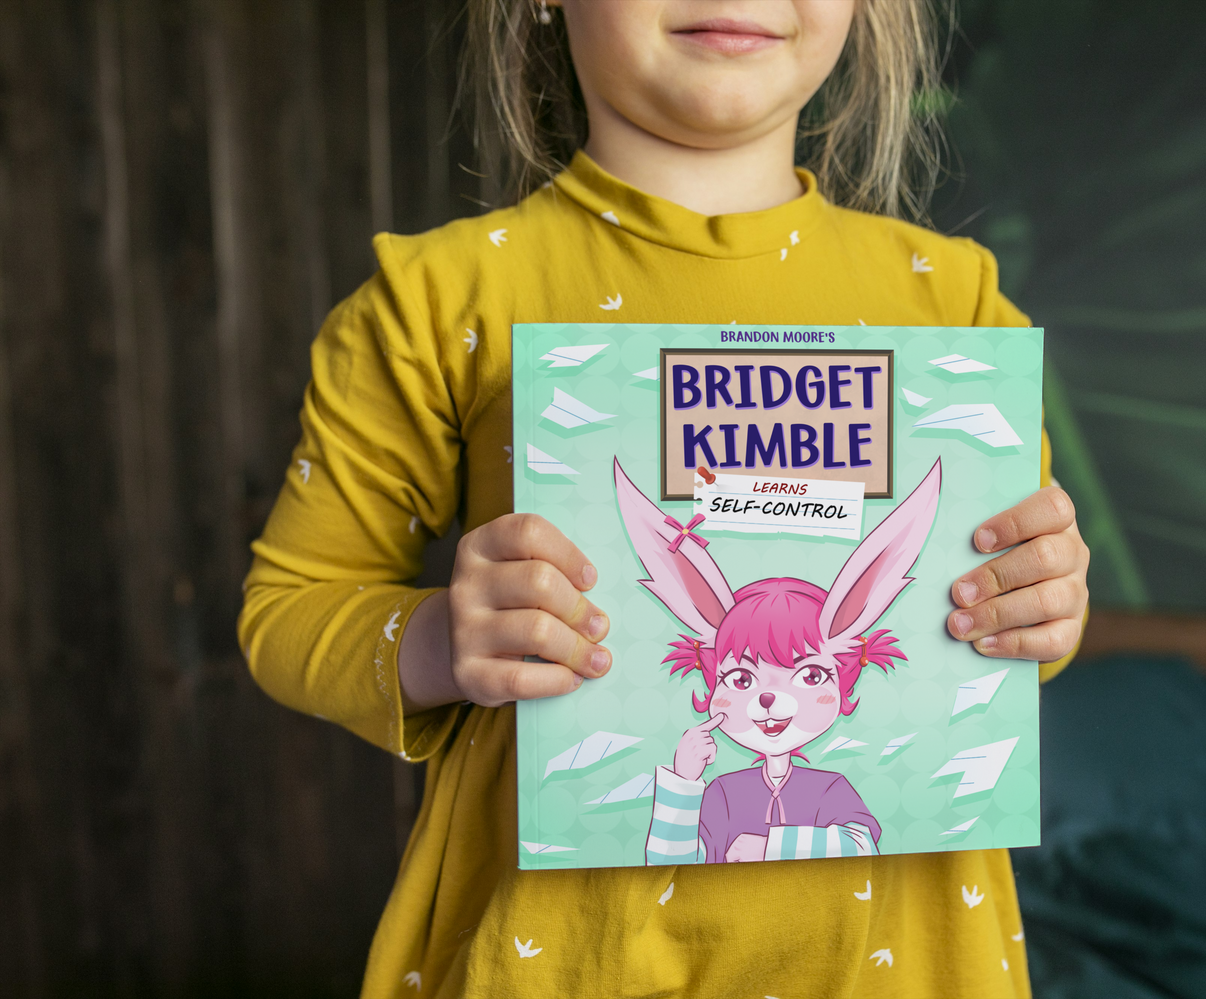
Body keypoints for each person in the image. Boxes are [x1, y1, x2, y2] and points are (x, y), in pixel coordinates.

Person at [239, 1, 1091, 995]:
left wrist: (1041, 612)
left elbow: (1006, 635)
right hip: (560, 962)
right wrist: (440, 640)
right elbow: (288, 616)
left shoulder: (955, 304)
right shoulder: (437, 297)